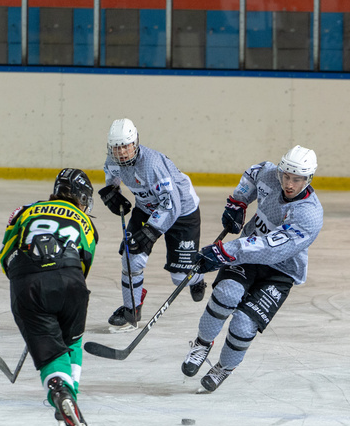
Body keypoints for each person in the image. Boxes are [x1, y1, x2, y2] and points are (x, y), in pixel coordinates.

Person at [180, 145, 324, 392]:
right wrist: (238, 201)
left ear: (308, 179)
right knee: (226, 293)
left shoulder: (309, 215)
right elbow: (254, 173)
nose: (289, 184)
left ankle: (224, 367)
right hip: (247, 255)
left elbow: (270, 248)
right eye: (286, 176)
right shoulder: (271, 174)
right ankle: (202, 343)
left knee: (244, 324)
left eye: (297, 179)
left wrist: (224, 253)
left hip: (281, 270)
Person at [0, 168, 97, 426]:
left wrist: (27, 287)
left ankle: (60, 391)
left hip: (27, 280)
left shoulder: (25, 211)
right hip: (70, 281)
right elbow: (84, 263)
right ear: (82, 197)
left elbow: (5, 255)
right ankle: (66, 402)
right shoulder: (86, 222)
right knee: (71, 343)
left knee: (50, 354)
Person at [100, 118, 206, 331]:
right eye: (116, 147)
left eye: (125, 146)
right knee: (132, 258)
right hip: (147, 208)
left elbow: (172, 205)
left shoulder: (152, 165)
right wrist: (112, 194)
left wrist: (151, 230)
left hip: (182, 212)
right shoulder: (112, 162)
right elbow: (112, 181)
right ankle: (132, 309)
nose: (121, 152)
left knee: (179, 277)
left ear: (135, 143)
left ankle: (197, 278)